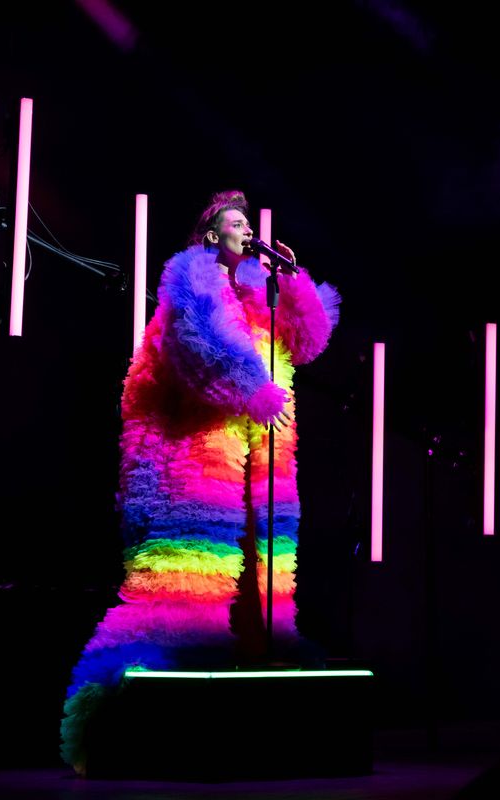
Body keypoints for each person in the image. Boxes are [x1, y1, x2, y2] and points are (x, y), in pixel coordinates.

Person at [60, 190, 340, 772]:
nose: (247, 229)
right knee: (182, 590)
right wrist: (253, 391)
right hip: (187, 460)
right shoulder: (191, 281)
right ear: (213, 236)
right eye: (235, 222)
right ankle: (105, 726)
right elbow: (199, 347)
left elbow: (308, 341)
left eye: (249, 222)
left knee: (264, 593)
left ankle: (241, 732)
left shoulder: (259, 298)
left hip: (257, 467)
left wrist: (291, 281)